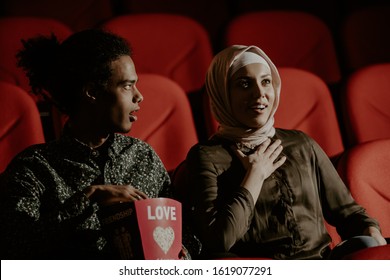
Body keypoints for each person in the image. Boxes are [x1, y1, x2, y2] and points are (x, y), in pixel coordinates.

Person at [174, 45, 387, 259]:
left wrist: (369, 230)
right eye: (245, 84)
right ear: (222, 93)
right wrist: (254, 176)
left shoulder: (301, 143)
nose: (259, 93)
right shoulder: (207, 156)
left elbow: (348, 212)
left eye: (266, 81)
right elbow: (219, 240)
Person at [0, 29, 192, 259]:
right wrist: (87, 199)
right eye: (127, 86)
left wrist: (184, 253)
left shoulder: (142, 155)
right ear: (91, 91)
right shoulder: (33, 168)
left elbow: (185, 231)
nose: (139, 96)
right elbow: (16, 248)